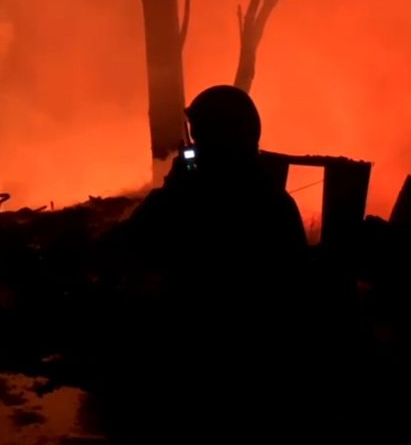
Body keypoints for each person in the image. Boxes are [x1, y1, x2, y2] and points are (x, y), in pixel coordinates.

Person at [111, 85, 310, 440]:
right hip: (263, 373)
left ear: (219, 138)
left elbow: (138, 245)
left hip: (198, 363)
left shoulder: (189, 200)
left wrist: (172, 191)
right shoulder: (276, 202)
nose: (194, 144)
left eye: (200, 134)